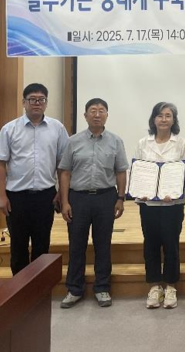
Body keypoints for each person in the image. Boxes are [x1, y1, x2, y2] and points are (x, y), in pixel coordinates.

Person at [58, 98, 129, 309]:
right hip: (78, 198)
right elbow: (65, 172)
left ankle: (102, 288)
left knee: (103, 244)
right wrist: (65, 202)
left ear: (107, 115)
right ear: (85, 115)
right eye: (93, 111)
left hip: (105, 197)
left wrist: (121, 198)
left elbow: (120, 171)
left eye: (101, 111)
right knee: (76, 245)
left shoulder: (116, 141)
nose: (97, 114)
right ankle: (74, 289)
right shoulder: (73, 141)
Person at [0, 83, 69, 275]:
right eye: (32, 99)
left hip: (45, 196)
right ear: (24, 102)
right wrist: (1, 196)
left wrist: (62, 193)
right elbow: (0, 163)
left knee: (42, 245)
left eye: (41, 100)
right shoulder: (9, 129)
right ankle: (20, 289)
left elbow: (63, 165)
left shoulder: (57, 128)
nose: (37, 103)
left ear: (46, 103)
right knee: (18, 245)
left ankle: (39, 288)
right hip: (16, 197)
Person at [136, 102, 185, 310]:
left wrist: (174, 191)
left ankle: (171, 286)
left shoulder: (181, 143)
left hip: (172, 203)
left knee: (171, 244)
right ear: (153, 119)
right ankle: (154, 286)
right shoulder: (143, 143)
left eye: (168, 115)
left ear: (174, 120)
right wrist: (141, 190)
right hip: (148, 203)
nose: (164, 119)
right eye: (160, 115)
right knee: (150, 244)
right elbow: (139, 171)